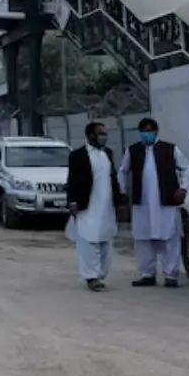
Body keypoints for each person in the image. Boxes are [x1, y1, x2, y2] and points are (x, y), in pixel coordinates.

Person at [118, 117, 189, 288]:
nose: (147, 134)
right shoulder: (133, 150)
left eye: (150, 131)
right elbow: (122, 171)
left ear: (156, 132)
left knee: (170, 237)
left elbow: (186, 168)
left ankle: (171, 275)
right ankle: (147, 274)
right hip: (142, 203)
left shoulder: (170, 149)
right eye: (144, 131)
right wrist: (122, 192)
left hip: (166, 201)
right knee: (143, 239)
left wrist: (183, 187)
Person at [65, 121, 120, 291]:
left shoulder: (108, 153)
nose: (103, 136)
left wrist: (120, 201)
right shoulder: (78, 155)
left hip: (106, 205)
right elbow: (72, 180)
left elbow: (113, 178)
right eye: (100, 133)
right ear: (90, 136)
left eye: (104, 133)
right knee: (88, 240)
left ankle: (100, 275)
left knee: (105, 240)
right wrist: (72, 201)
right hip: (87, 205)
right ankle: (91, 276)